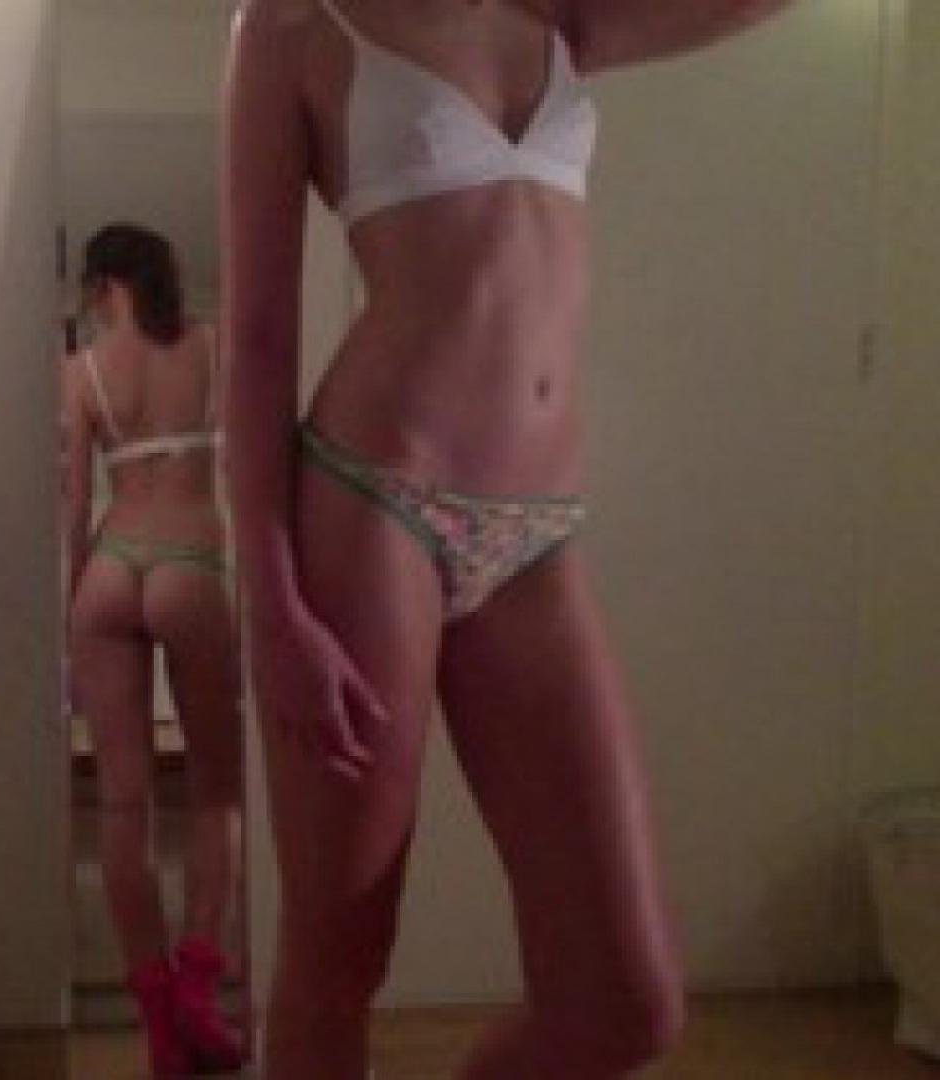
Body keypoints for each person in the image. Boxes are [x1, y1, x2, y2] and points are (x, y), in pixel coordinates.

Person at [221, 1, 793, 1077]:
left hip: (537, 539)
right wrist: (272, 604)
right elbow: (253, 339)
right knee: (340, 954)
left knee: (627, 1002)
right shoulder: (294, 24)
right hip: (375, 502)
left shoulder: (562, 14)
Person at [63, 223, 246, 1077]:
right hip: (187, 562)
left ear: (105, 283)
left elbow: (74, 506)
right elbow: (248, 467)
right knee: (216, 792)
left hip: (108, 570)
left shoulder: (81, 371)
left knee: (121, 808)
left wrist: (75, 600)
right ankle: (199, 990)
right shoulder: (211, 347)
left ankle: (160, 1029)